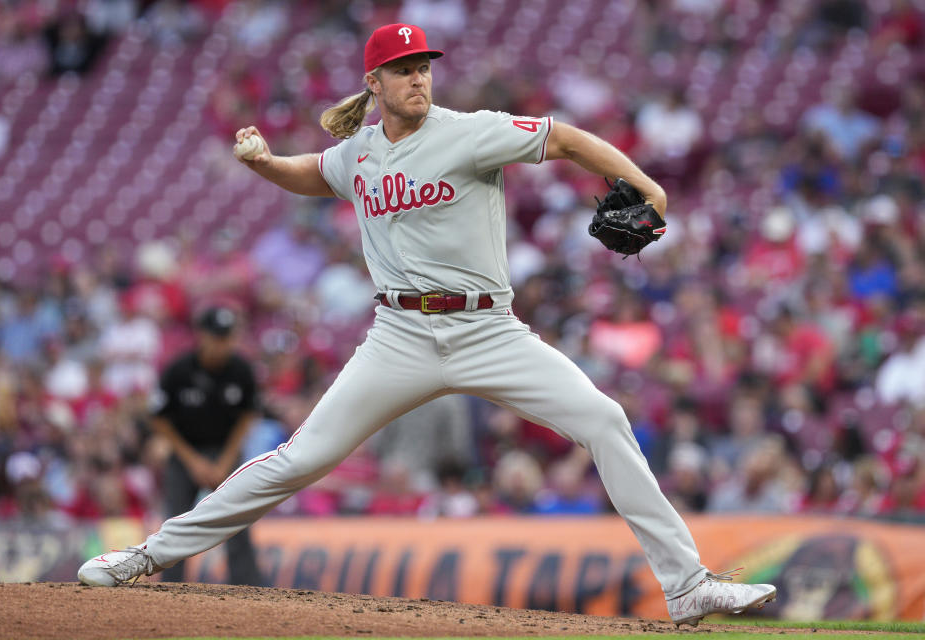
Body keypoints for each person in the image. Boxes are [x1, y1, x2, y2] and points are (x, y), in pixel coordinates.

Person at [78, 23, 776, 626]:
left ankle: (686, 587)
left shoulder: (469, 133)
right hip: (400, 337)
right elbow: (312, 172)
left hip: (488, 331)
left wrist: (649, 187)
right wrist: (264, 163)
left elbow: (563, 138)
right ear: (374, 82)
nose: (420, 79)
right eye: (405, 70)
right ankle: (148, 554)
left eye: (424, 67)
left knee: (603, 420)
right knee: (301, 459)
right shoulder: (359, 152)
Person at [144, 305, 262, 585]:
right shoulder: (179, 370)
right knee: (175, 524)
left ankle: (246, 588)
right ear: (202, 336)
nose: (223, 344)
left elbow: (248, 416)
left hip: (225, 453)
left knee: (237, 521)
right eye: (217, 337)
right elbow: (159, 419)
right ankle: (170, 588)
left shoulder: (241, 369)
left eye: (228, 337)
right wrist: (192, 460)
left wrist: (224, 461)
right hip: (186, 455)